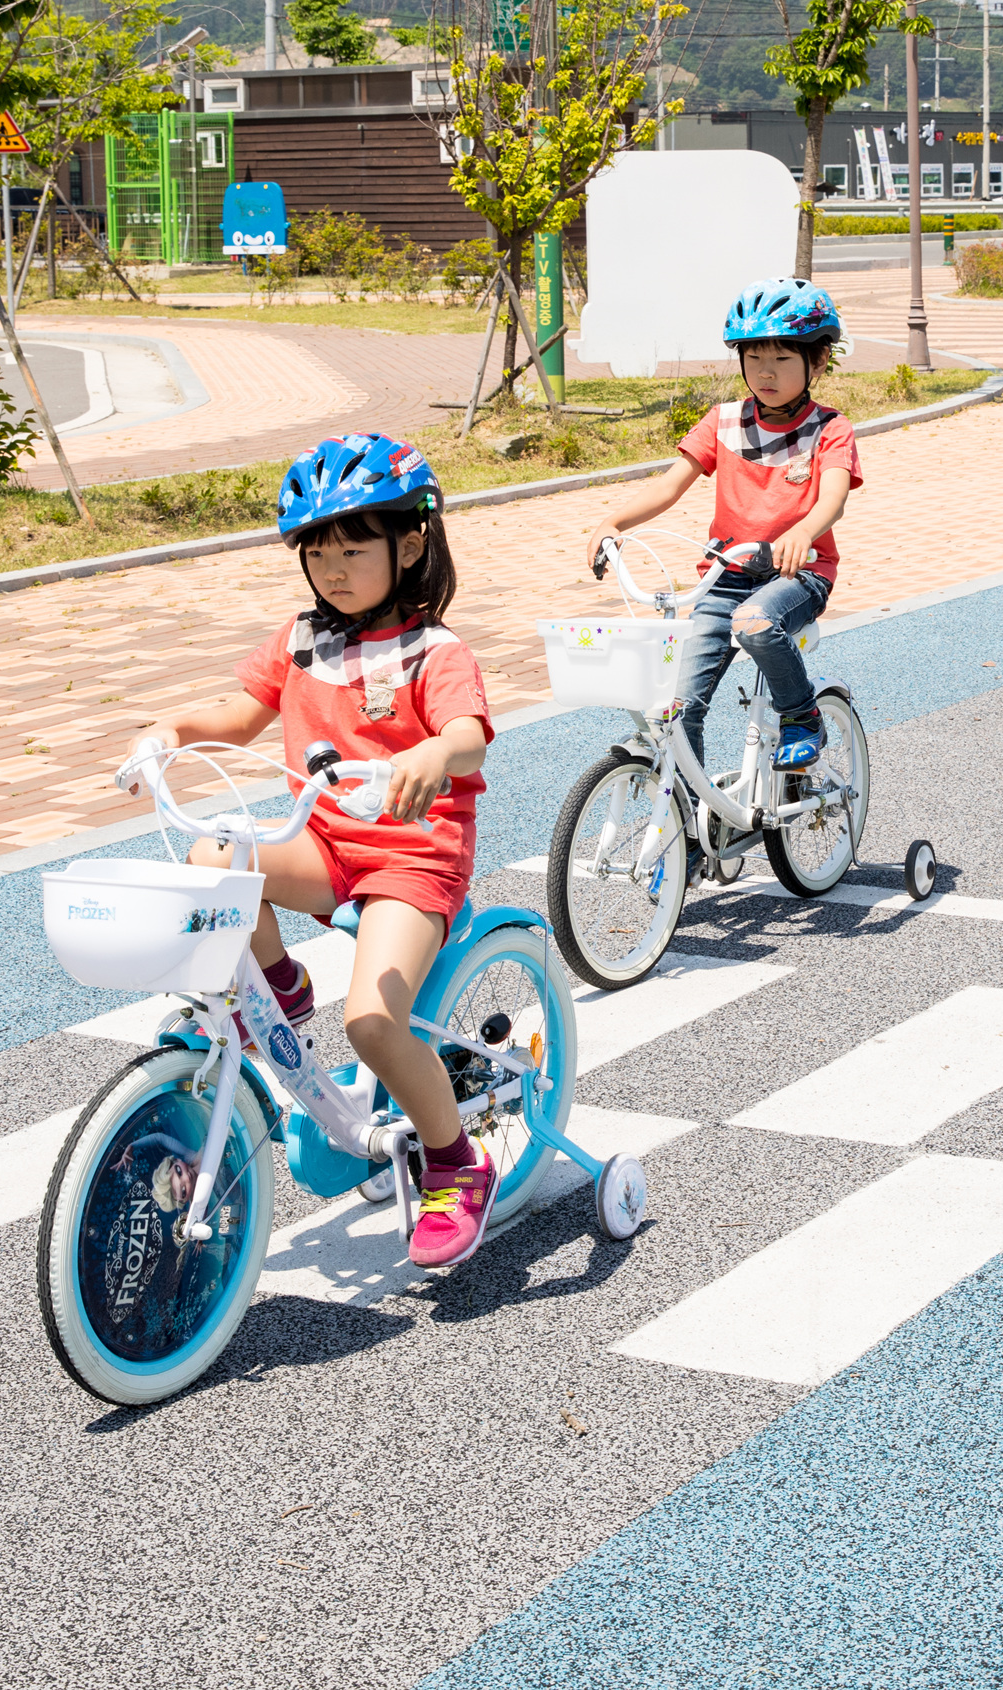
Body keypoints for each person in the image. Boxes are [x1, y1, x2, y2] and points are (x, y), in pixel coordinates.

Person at [125, 434, 502, 1272]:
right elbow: (241, 707)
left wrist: (433, 756)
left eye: (354, 548)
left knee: (372, 1021)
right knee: (213, 857)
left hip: (412, 860)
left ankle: (454, 1163)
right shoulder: (302, 637)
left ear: (409, 545)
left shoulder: (436, 653)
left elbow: (469, 736)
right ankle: (283, 992)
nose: (333, 568)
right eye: (318, 551)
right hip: (325, 841)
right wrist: (172, 731)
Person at [587, 276, 861, 770]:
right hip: (725, 577)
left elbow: (834, 499)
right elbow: (670, 486)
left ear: (817, 361)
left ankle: (802, 716)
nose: (765, 372)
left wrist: (801, 532)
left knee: (756, 622)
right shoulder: (724, 420)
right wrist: (614, 521)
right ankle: (689, 837)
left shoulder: (829, 429)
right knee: (677, 708)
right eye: (753, 358)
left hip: (797, 574)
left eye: (781, 359)